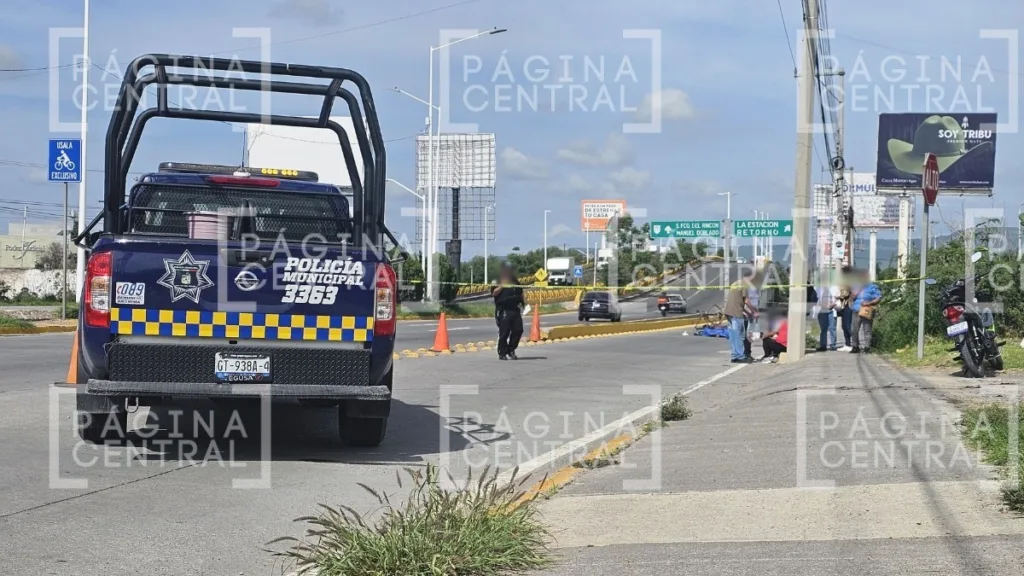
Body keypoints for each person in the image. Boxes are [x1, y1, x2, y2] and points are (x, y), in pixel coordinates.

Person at [491, 262, 525, 360]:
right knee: (504, 332)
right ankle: (502, 352)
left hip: (515, 309)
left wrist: (524, 304)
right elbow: (494, 293)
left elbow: (521, 292)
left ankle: (511, 349)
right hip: (504, 310)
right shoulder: (496, 279)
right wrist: (503, 285)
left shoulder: (515, 280)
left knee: (518, 330)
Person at [724, 269, 756, 363]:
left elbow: (738, 301)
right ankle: (740, 356)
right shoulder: (744, 285)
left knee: (733, 335)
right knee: (739, 335)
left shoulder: (735, 283)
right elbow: (746, 301)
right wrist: (754, 311)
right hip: (736, 313)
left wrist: (748, 312)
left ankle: (734, 355)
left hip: (729, 312)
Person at [849, 269, 882, 353]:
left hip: (867, 310)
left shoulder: (872, 286)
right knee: (854, 329)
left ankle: (867, 347)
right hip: (856, 310)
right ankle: (855, 346)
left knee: (867, 329)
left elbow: (878, 298)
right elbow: (852, 297)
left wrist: (869, 302)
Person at [816, 275, 841, 352]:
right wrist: (825, 305)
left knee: (832, 328)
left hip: (832, 310)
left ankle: (833, 345)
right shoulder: (818, 289)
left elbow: (838, 298)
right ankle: (823, 345)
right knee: (823, 329)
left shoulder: (834, 287)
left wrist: (833, 304)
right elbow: (817, 301)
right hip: (822, 310)